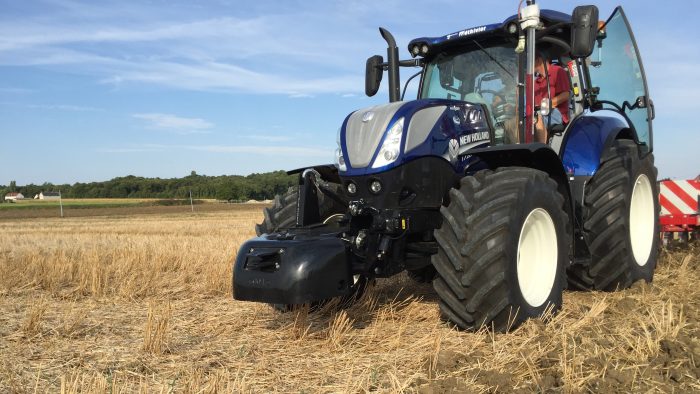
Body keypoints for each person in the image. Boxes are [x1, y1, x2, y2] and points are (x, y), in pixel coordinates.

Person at [534, 55, 571, 143]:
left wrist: (547, 104)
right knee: (514, 123)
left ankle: (541, 150)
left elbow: (566, 95)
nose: (528, 66)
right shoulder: (535, 82)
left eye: (531, 61)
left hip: (558, 113)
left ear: (539, 60)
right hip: (542, 113)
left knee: (537, 118)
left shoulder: (558, 71)